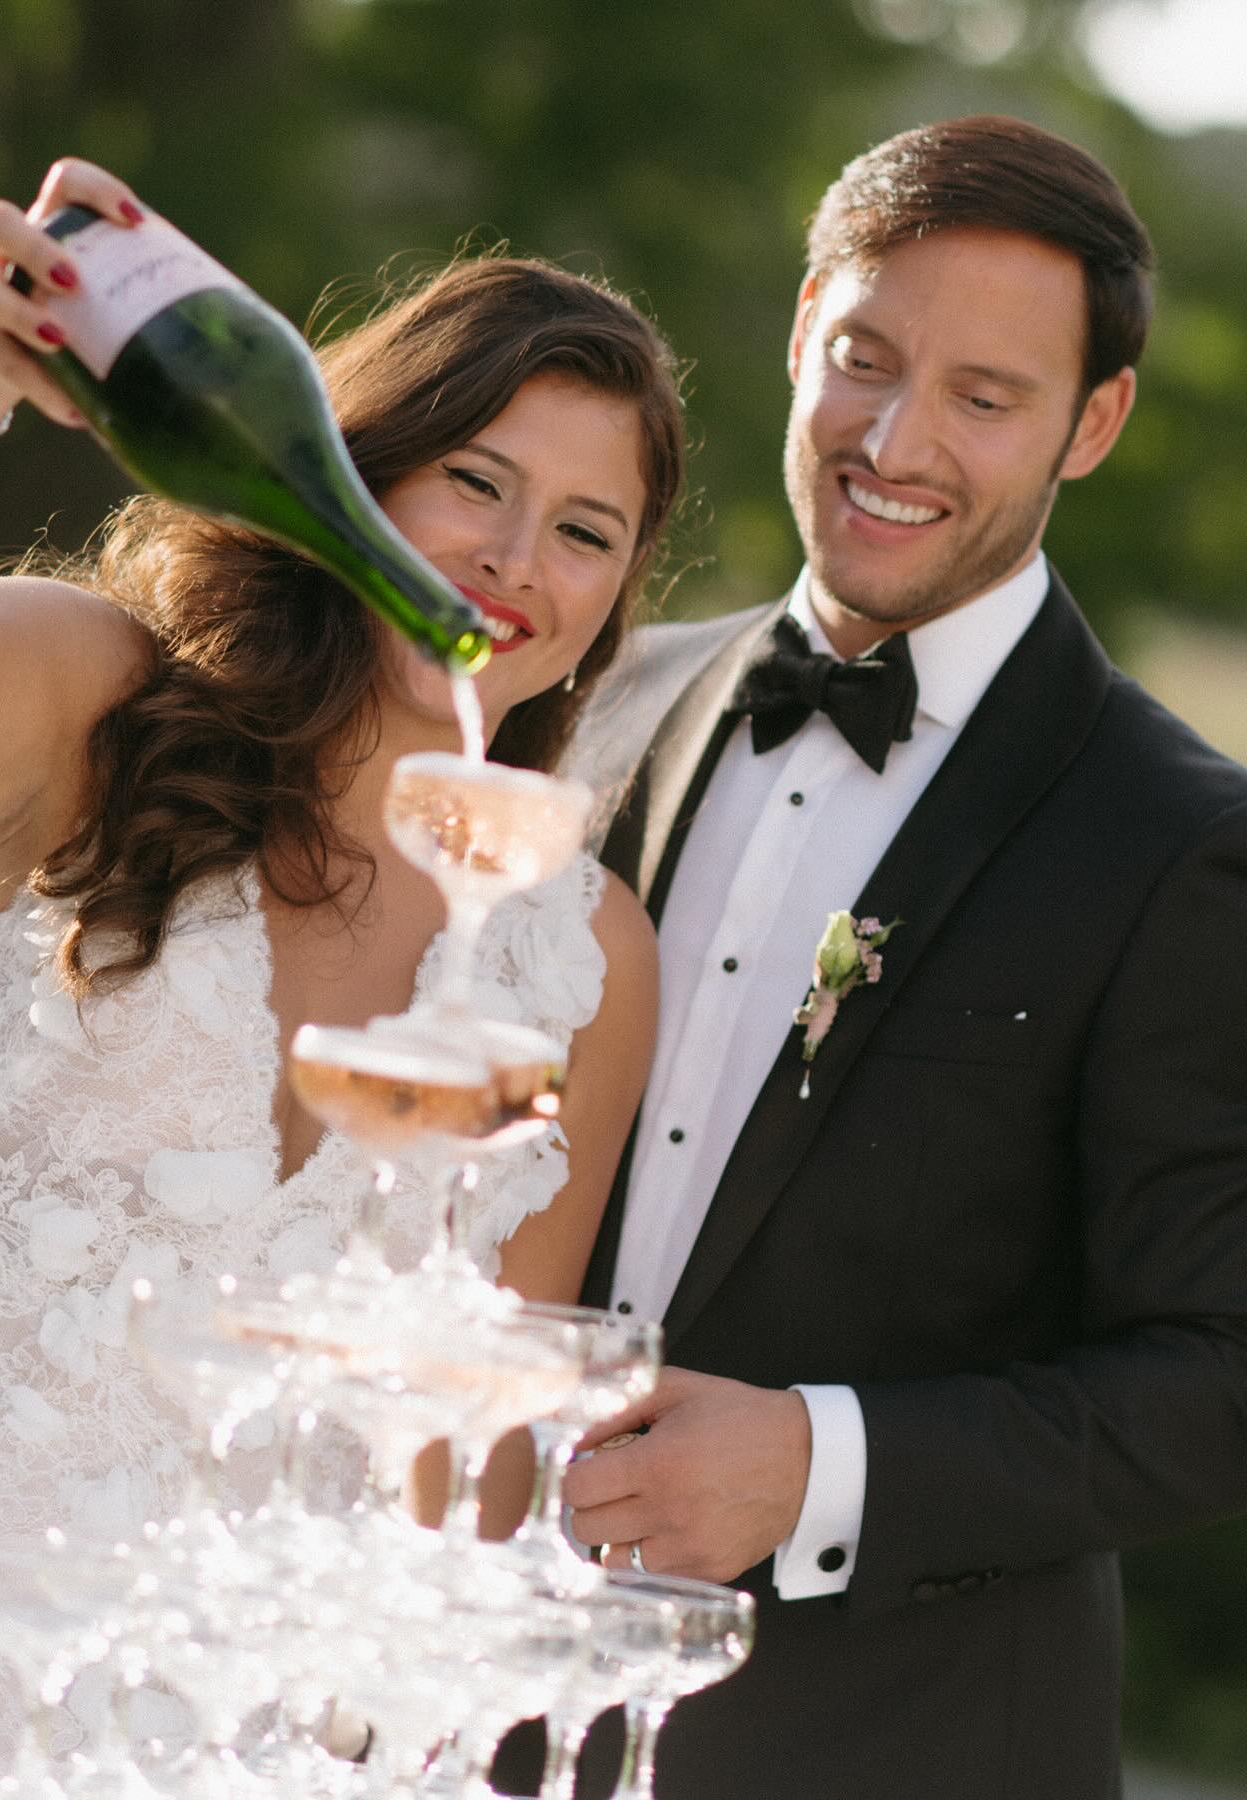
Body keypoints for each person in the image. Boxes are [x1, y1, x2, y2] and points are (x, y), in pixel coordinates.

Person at [0, 157, 685, 1797]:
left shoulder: (580, 959)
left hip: (214, 1740)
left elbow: (477, 1446)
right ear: (344, 478)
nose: (515, 559)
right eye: (474, 482)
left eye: (586, 532)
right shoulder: (92, 705)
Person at [495, 115, 1247, 1800]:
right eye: (865, 360)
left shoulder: (1181, 843)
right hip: (495, 1711)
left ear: (1094, 423)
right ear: (798, 338)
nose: (897, 441)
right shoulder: (599, 708)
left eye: (987, 398)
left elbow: (1222, 1373)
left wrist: (817, 1463)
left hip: (888, 1742)